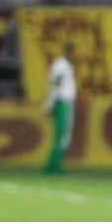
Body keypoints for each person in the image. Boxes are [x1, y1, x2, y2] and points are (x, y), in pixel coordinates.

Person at [42, 42, 76, 175]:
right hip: (61, 102)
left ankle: (56, 164)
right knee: (62, 135)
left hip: (65, 102)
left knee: (63, 135)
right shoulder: (61, 65)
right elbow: (55, 84)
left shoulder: (65, 65)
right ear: (68, 51)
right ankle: (53, 165)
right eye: (72, 52)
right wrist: (50, 103)